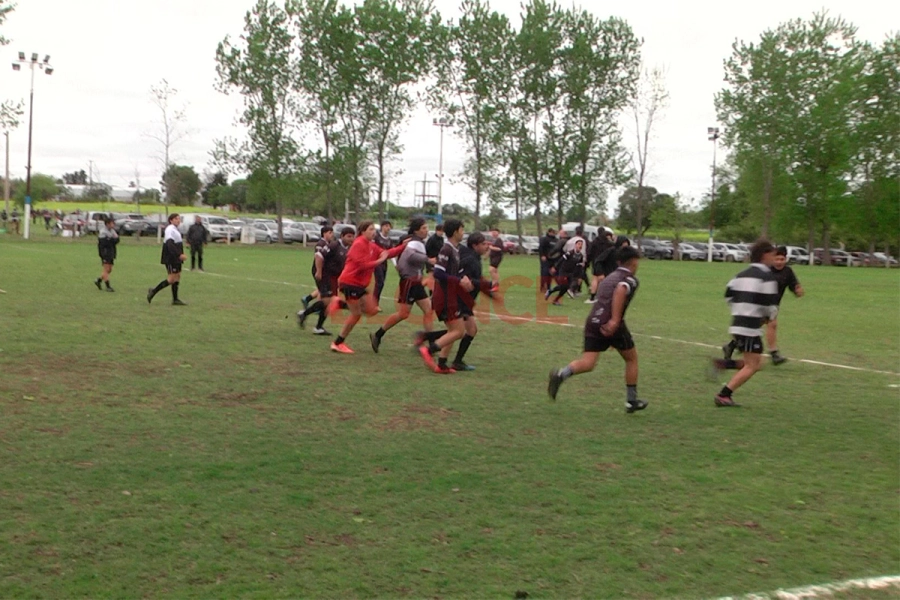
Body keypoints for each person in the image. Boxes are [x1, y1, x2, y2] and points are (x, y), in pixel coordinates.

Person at [547, 245, 648, 413]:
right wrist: (614, 321)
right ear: (634, 262)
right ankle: (631, 401)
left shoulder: (609, 277)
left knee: (588, 363)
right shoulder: (629, 279)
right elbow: (621, 290)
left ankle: (561, 374)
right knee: (631, 359)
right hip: (611, 323)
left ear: (618, 262)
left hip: (593, 321)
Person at [711, 239, 780, 407]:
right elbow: (770, 304)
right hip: (750, 327)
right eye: (773, 255)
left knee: (757, 363)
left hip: (737, 323)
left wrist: (739, 309)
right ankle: (724, 395)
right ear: (765, 255)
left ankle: (723, 364)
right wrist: (768, 316)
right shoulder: (767, 277)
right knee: (753, 365)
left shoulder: (740, 274)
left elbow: (728, 295)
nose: (774, 258)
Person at [330, 221, 407, 354]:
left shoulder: (371, 245)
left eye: (374, 229)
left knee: (372, 310)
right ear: (363, 231)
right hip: (350, 282)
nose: (374, 232)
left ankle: (340, 304)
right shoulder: (358, 244)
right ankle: (338, 343)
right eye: (371, 229)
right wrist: (379, 261)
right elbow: (361, 265)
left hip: (360, 284)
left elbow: (387, 253)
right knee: (356, 314)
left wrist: (404, 247)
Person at [722, 245, 803, 366]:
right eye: (776, 259)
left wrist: (797, 290)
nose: (779, 262)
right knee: (772, 324)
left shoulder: (788, 271)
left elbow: (794, 285)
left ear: (786, 259)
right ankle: (774, 353)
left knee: (752, 327)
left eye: (782, 259)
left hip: (772, 305)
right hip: (759, 303)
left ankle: (731, 346)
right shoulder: (766, 271)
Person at [370, 218, 436, 352]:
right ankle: (378, 335)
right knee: (403, 314)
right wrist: (428, 260)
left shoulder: (418, 242)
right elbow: (410, 256)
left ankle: (430, 343)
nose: (427, 230)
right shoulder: (414, 243)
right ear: (416, 230)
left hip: (416, 282)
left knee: (429, 310)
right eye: (424, 228)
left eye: (427, 227)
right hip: (409, 282)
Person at [417, 218, 473, 374]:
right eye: (462, 230)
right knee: (458, 331)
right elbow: (439, 273)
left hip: (451, 296)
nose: (463, 233)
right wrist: (459, 281)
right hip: (445, 297)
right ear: (455, 232)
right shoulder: (446, 249)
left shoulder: (454, 250)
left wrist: (463, 278)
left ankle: (442, 364)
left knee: (454, 331)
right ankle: (429, 350)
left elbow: (452, 273)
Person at [449, 231, 494, 371]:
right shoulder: (469, 259)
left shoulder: (475, 258)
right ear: (475, 245)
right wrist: (486, 284)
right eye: (483, 244)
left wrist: (487, 289)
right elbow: (463, 279)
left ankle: (457, 361)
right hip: (460, 300)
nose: (486, 246)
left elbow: (474, 280)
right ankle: (431, 346)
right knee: (459, 331)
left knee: (467, 330)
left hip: (466, 301)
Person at [298, 226, 351, 335]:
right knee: (328, 301)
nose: (351, 238)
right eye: (348, 236)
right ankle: (307, 315)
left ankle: (316, 324)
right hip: (326, 275)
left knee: (327, 302)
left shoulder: (347, 248)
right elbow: (318, 255)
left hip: (333, 277)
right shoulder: (334, 245)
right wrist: (319, 271)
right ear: (342, 236)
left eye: (352, 236)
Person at [147, 213, 188, 306]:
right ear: (171, 220)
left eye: (179, 219)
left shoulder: (175, 229)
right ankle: (153, 291)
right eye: (176, 219)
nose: (178, 220)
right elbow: (169, 244)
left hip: (176, 257)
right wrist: (179, 255)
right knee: (171, 279)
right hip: (171, 257)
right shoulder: (170, 229)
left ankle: (175, 299)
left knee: (177, 276)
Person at [545, 238, 585, 305]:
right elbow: (561, 260)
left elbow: (580, 267)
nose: (580, 246)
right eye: (579, 244)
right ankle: (550, 292)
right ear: (575, 245)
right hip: (563, 271)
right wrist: (555, 267)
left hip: (571, 273)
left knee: (564, 288)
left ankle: (554, 298)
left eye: (581, 244)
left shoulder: (580, 256)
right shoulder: (570, 253)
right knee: (563, 285)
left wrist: (580, 277)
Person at [586, 228, 614, 303]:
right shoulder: (608, 243)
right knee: (605, 279)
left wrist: (587, 262)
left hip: (596, 262)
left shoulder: (594, 242)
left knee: (595, 278)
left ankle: (592, 297)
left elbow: (589, 253)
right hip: (606, 262)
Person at [94, 217, 119, 292]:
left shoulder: (112, 231)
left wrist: (112, 240)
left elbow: (117, 240)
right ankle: (108, 286)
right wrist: (112, 240)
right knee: (106, 269)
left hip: (111, 252)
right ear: (107, 224)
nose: (113, 225)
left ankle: (98, 280)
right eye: (112, 223)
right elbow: (105, 243)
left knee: (109, 269)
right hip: (105, 252)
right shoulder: (103, 232)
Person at [373, 220, 394, 307]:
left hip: (384, 263)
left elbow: (391, 253)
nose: (388, 228)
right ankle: (374, 303)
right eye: (386, 226)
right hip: (377, 262)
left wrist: (396, 265)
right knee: (380, 282)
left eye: (389, 226)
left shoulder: (389, 240)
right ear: (382, 227)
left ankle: (374, 302)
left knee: (381, 283)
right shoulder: (376, 237)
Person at [538, 228, 558, 293]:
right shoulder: (544, 239)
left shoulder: (556, 240)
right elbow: (541, 248)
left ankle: (548, 287)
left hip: (553, 259)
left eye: (554, 232)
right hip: (545, 259)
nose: (553, 233)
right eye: (552, 232)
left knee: (551, 274)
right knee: (544, 273)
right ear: (549, 232)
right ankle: (543, 287)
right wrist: (542, 255)